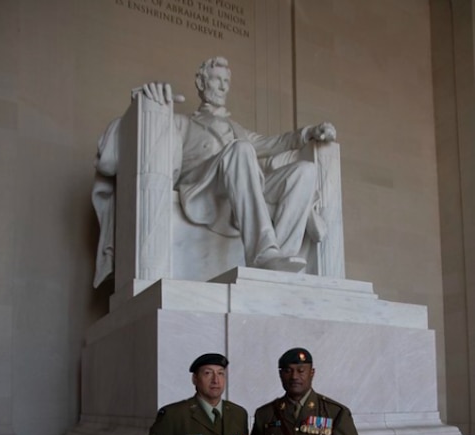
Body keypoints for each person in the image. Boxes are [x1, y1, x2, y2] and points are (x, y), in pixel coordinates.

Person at [93, 56, 336, 286]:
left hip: (242, 187)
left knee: (305, 171)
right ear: (201, 82)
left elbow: (276, 143)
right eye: (217, 80)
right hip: (203, 187)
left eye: (226, 82)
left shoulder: (238, 129)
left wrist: (308, 133)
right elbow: (116, 149)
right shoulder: (181, 122)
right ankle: (263, 253)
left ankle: (278, 261)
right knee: (241, 150)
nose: (223, 87)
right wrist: (147, 99)